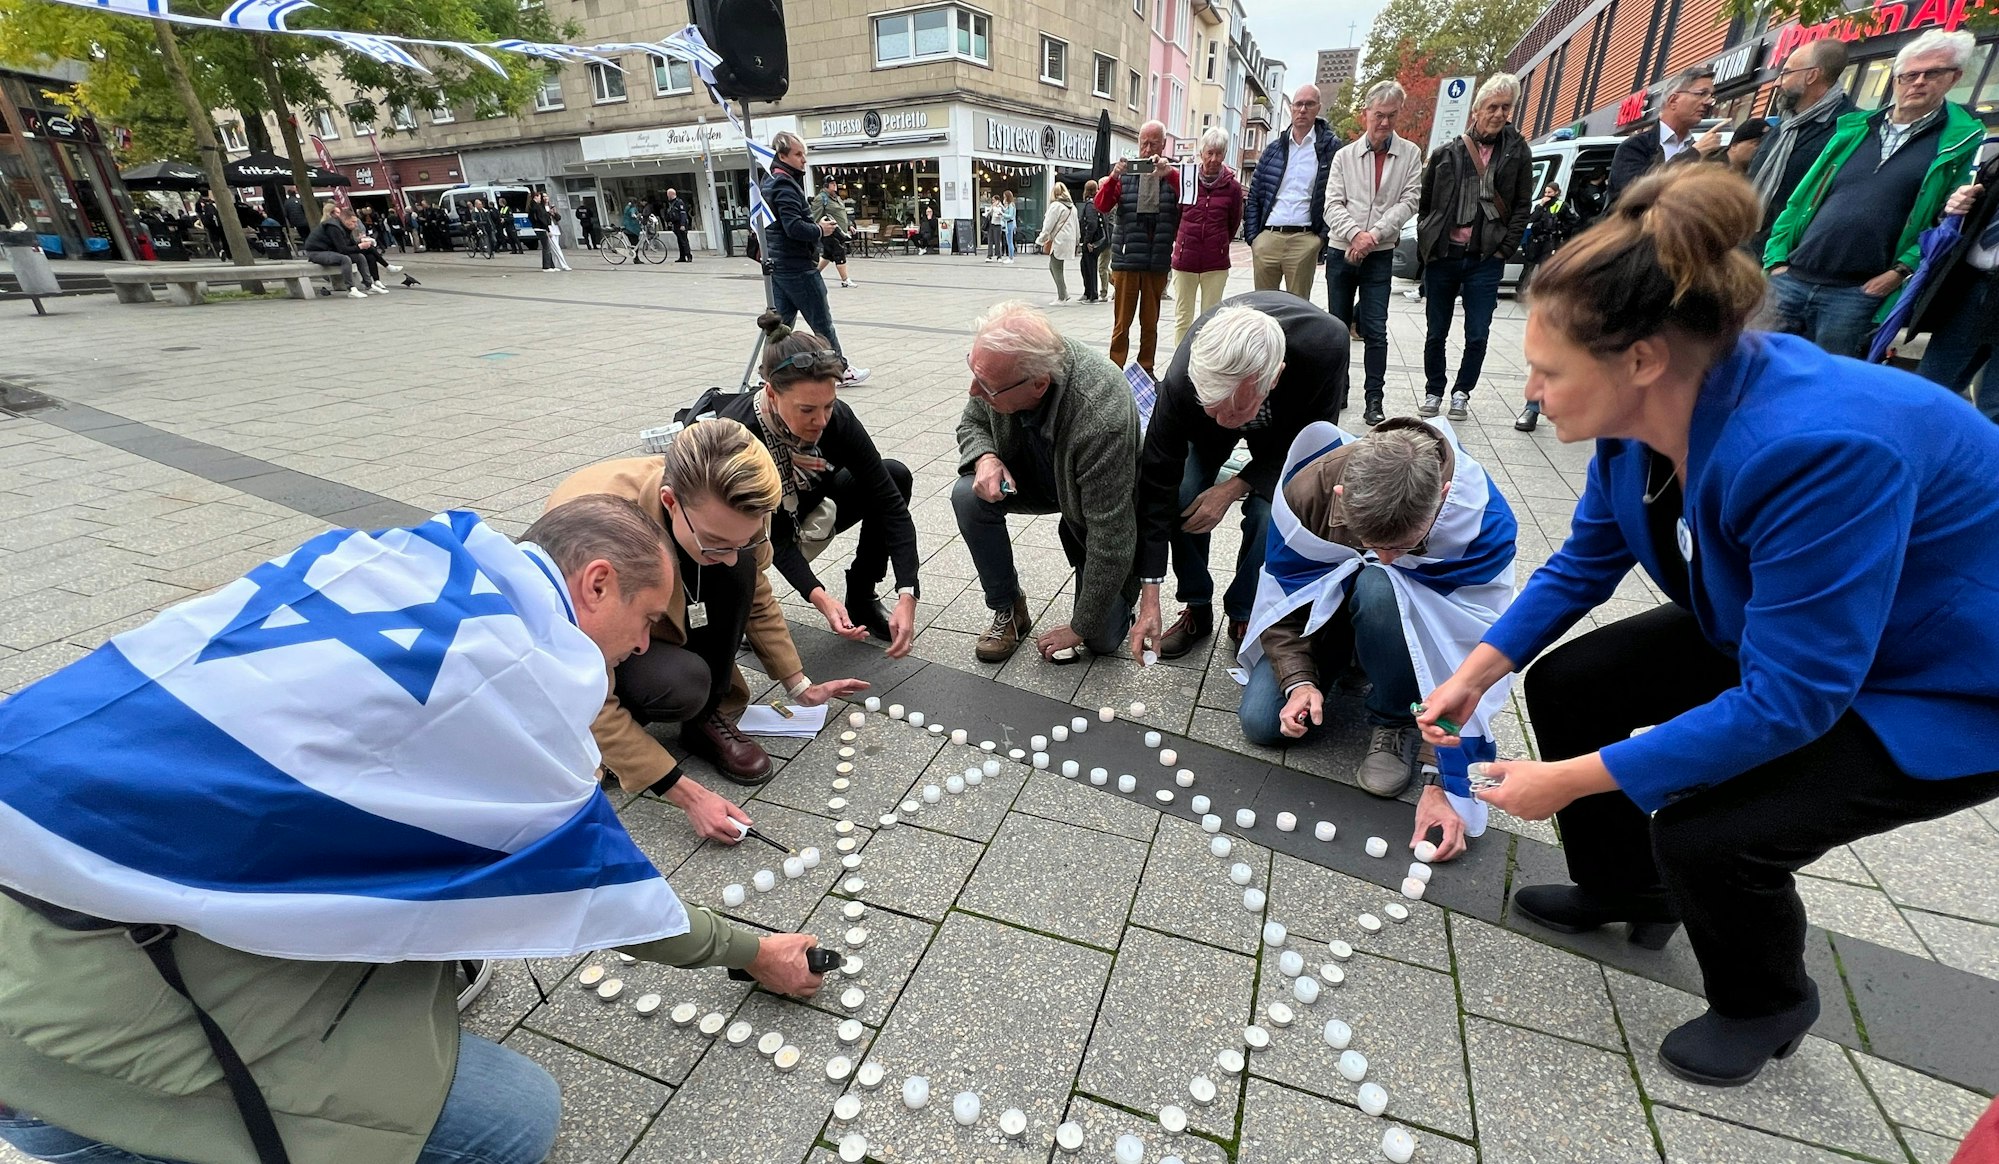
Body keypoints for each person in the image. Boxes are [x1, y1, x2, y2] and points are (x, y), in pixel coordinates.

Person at [0, 496, 829, 1164]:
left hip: (44, 832)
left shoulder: (398, 561)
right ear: (598, 584)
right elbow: (604, 894)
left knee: (434, 965)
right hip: (54, 1019)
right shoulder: (515, 685)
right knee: (511, 1120)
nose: (644, 644)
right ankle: (105, 1139)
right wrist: (753, 952)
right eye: (647, 619)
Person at [1419, 165, 1999, 1088]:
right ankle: (1626, 890)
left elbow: (1792, 701)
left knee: (1710, 833)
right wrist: (1474, 672)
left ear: (1640, 357)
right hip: (1798, 620)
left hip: (1948, 674)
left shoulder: (1816, 448)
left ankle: (1765, 999)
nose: (1530, 390)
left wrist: (1564, 782)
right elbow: (1584, 559)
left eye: (1546, 370)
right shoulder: (1637, 410)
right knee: (1572, 682)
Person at [546, 420, 870, 795]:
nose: (732, 558)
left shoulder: (736, 514)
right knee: (680, 684)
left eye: (745, 539)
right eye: (717, 542)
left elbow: (756, 593)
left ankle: (704, 718)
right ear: (670, 502)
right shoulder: (600, 542)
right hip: (590, 649)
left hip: (650, 610)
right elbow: (580, 676)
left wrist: (798, 684)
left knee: (739, 571)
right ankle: (614, 732)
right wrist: (679, 789)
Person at [1240, 416, 1516, 846]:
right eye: (1372, 541)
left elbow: (1478, 645)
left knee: (1380, 583)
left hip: (1399, 620)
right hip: (1327, 623)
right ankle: (1351, 660)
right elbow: (1283, 597)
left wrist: (1446, 775)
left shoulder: (1480, 520)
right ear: (1341, 496)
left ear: (1442, 497)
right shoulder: (1307, 491)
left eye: (1404, 546)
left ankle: (1394, 721)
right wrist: (1298, 681)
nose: (1388, 557)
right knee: (1262, 723)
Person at [1128, 295, 1348, 661]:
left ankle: (1244, 611)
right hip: (1207, 417)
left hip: (1286, 432)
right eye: (1215, 408)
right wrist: (1149, 594)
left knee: (1270, 514)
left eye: (1237, 410)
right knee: (1183, 496)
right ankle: (1197, 606)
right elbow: (1156, 483)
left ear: (1274, 375)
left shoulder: (1325, 344)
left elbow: (1315, 444)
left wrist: (1234, 487)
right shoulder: (1184, 379)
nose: (1226, 421)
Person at [1764, 29, 1984, 360]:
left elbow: (1945, 225)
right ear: (1895, 79)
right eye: (1909, 74)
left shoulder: (1959, 143)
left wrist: (1897, 274)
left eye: (1932, 73)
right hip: (1792, 277)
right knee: (1759, 369)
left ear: (1955, 78)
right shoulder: (1856, 128)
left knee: (1833, 385)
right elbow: (1801, 200)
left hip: (1857, 294)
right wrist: (1776, 259)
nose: (1918, 82)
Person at [708, 312, 921, 654]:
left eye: (828, 405)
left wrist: (908, 590)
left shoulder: (836, 419)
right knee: (732, 543)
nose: (820, 420)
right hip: (752, 527)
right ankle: (741, 615)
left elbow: (888, 500)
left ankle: (862, 596)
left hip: (808, 502)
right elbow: (771, 535)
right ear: (772, 394)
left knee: (894, 474)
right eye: (806, 409)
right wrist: (818, 595)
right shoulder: (737, 436)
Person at [954, 301, 1139, 665]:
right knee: (967, 496)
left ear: (1039, 384)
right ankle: (1009, 608)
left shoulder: (1102, 418)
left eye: (987, 387)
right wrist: (986, 458)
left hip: (1096, 504)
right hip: (1035, 477)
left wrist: (1080, 626)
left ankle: (1110, 597)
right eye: (972, 371)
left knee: (1100, 639)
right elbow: (971, 423)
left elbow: (1112, 536)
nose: (974, 390)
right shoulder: (1001, 368)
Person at [1414, 73, 1534, 422]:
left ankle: (1462, 392)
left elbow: (1522, 204)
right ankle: (1434, 390)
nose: (1498, 113)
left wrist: (1505, 248)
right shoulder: (1446, 153)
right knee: (1437, 330)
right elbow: (1426, 204)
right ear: (1477, 110)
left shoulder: (1517, 152)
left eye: (1505, 107)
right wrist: (1428, 240)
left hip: (1486, 258)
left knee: (1477, 333)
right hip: (1445, 256)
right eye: (1492, 107)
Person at [1324, 80, 1424, 426]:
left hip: (1379, 253)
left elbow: (1409, 200)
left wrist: (1373, 236)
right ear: (1366, 113)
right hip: (1342, 251)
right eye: (1378, 115)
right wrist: (1354, 235)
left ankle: (1374, 398)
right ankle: (1339, 389)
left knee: (1375, 327)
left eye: (1391, 116)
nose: (1383, 123)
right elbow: (1332, 204)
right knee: (1336, 326)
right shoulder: (1344, 156)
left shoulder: (1410, 154)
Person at [762, 132, 869, 384]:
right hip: (797, 266)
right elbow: (794, 228)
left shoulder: (770, 181)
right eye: (798, 155)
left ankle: (769, 373)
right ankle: (839, 369)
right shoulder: (785, 185)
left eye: (804, 155)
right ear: (782, 155)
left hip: (779, 265)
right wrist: (821, 229)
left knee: (780, 326)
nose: (804, 161)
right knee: (822, 324)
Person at [1904, 159, 1999, 418]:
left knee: (1994, 408)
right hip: (1971, 287)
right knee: (1930, 390)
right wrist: (1955, 207)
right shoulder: (1995, 162)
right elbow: (1966, 220)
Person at [1743, 38, 1854, 257]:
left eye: (1786, 73)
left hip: (1789, 261)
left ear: (1812, 75)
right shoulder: (1783, 126)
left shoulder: (1850, 130)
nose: (1777, 82)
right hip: (1747, 248)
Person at [1094, 120, 1183, 375]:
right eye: (1143, 142)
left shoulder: (1171, 175)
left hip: (1156, 261)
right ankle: (1114, 369)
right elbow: (1101, 205)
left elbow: (1189, 202)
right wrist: (1113, 177)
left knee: (1150, 324)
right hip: (1126, 259)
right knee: (1122, 323)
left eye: (1153, 143)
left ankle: (1146, 368)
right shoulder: (1126, 175)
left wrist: (1172, 175)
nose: (1147, 148)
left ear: (1163, 144)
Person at [1245, 84, 1343, 299]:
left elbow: (1340, 195)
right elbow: (1254, 196)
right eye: (1298, 104)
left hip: (1305, 239)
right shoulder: (1273, 149)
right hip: (1268, 238)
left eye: (1309, 104)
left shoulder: (1331, 149)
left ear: (1318, 108)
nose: (1302, 110)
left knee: (1298, 310)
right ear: (1291, 107)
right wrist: (1254, 238)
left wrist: (1320, 239)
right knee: (1264, 309)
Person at [1511, 184, 1580, 432]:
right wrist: (1540, 206)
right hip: (1539, 247)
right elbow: (1530, 220)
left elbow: (1575, 222)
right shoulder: (1541, 205)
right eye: (1546, 193)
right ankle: (1533, 406)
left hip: (1552, 248)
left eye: (1551, 193)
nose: (1548, 196)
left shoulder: (1563, 207)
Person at [1171, 128, 1246, 347]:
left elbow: (1233, 222)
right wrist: (1183, 240)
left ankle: (1206, 364)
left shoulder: (1232, 187)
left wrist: (1220, 243)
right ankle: (1179, 364)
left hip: (1215, 262)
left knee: (1211, 319)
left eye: (1219, 154)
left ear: (1224, 155)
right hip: (1185, 259)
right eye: (1209, 153)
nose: (1213, 159)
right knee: (1183, 317)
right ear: (1201, 152)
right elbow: (1177, 214)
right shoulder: (1187, 179)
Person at [1606, 68, 1724, 204]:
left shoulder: (1706, 152)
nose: (1708, 102)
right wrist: (1693, 154)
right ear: (1673, 100)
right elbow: (1634, 193)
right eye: (1702, 94)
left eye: (1711, 96)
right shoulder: (1634, 147)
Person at [301, 210, 381, 299]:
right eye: (353, 222)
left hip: (330, 251)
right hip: (316, 252)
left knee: (360, 257)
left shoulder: (345, 227)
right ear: (345, 220)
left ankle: (369, 284)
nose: (356, 224)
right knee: (345, 259)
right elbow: (343, 249)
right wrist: (360, 247)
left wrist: (360, 242)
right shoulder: (333, 227)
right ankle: (351, 289)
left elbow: (349, 244)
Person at [1038, 182, 1080, 306]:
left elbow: (1048, 224)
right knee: (1055, 266)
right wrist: (1077, 240)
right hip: (1069, 240)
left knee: (1056, 267)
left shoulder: (1056, 206)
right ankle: (1063, 293)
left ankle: (1062, 296)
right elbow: (1077, 226)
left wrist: (1041, 239)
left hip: (1058, 240)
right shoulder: (1073, 207)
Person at [814, 181, 855, 285]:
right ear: (826, 186)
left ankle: (814, 274)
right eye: (832, 184)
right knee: (839, 252)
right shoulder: (821, 198)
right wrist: (818, 229)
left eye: (835, 184)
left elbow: (842, 213)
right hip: (829, 231)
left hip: (840, 231)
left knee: (828, 255)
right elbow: (815, 215)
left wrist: (849, 225)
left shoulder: (837, 198)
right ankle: (845, 280)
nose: (835, 186)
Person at [1079, 178, 1108, 303]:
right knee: (1085, 265)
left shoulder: (1090, 205)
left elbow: (1091, 223)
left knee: (1089, 266)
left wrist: (1087, 241)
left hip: (1092, 241)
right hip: (1097, 240)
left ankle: (1092, 294)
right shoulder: (1097, 202)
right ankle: (1088, 292)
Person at [663, 188, 694, 263]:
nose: (667, 196)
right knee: (680, 241)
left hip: (681, 224)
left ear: (671, 194)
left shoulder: (679, 202)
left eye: (668, 195)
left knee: (684, 241)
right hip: (675, 224)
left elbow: (683, 214)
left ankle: (688, 256)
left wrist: (683, 225)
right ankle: (682, 257)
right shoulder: (671, 203)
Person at [985, 193, 1006, 262]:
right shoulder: (992, 206)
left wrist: (999, 206)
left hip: (998, 225)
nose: (992, 202)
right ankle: (989, 255)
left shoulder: (1000, 206)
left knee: (997, 241)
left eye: (994, 200)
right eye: (992, 200)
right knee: (990, 240)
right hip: (991, 224)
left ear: (997, 200)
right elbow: (988, 213)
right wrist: (991, 208)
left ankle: (999, 256)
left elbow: (1004, 211)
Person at [1002, 190, 1018, 262]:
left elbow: (1011, 215)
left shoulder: (1011, 205)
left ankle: (1011, 257)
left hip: (1010, 223)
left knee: (1010, 241)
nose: (1004, 198)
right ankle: (1010, 256)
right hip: (1008, 223)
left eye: (1005, 196)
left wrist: (1003, 214)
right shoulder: (1009, 205)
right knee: (1009, 241)